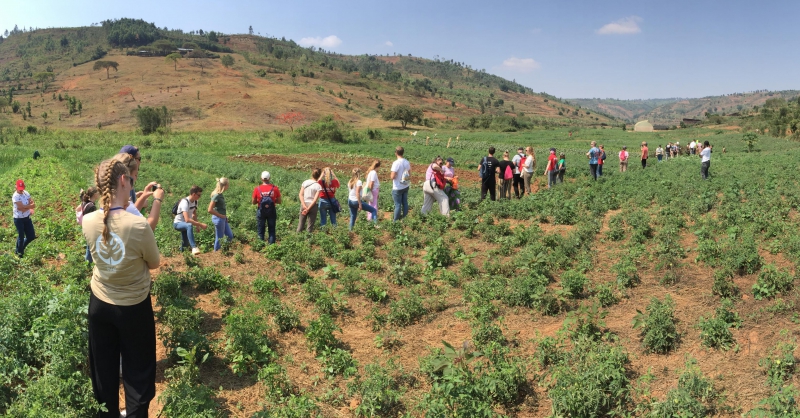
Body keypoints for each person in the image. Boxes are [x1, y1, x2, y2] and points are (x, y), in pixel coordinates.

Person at [83, 158, 161, 418]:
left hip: (100, 305)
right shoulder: (138, 226)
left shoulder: (88, 220)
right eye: (130, 181)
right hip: (133, 308)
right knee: (138, 373)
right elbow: (154, 263)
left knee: (103, 373)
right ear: (122, 181)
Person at [111, 152, 162, 231]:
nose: (136, 179)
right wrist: (158, 200)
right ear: (124, 179)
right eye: (135, 175)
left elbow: (132, 211)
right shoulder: (122, 206)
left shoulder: (111, 202)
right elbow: (148, 229)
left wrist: (144, 195)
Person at [174, 185, 207, 254]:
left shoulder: (195, 202)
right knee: (189, 225)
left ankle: (181, 254)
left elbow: (194, 214)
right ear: (194, 194)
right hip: (178, 223)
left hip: (185, 225)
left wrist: (197, 226)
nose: (199, 197)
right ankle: (194, 247)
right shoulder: (185, 202)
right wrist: (200, 224)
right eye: (198, 195)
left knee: (185, 244)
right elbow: (187, 220)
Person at [252, 171, 282, 242]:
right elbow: (279, 201)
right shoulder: (275, 188)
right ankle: (271, 247)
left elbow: (253, 202)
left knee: (260, 229)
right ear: (269, 178)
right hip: (271, 211)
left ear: (261, 178)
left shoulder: (257, 188)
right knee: (271, 229)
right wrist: (272, 201)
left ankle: (260, 245)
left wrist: (260, 201)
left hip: (261, 210)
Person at [12, 179, 36, 257]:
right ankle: (19, 254)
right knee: (21, 236)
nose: (21, 190)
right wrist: (29, 207)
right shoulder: (15, 196)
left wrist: (26, 207)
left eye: (22, 189)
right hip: (18, 219)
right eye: (19, 189)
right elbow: (20, 208)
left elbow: (33, 204)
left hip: (27, 217)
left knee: (31, 236)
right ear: (16, 187)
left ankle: (19, 249)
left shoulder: (26, 193)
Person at [208, 178, 233, 251]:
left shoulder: (220, 194)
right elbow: (209, 210)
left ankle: (222, 250)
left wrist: (224, 216)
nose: (228, 187)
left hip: (222, 218)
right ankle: (217, 253)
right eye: (228, 185)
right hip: (218, 219)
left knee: (230, 236)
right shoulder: (216, 195)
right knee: (219, 238)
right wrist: (221, 216)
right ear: (225, 186)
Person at [76, 187, 100, 262]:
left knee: (88, 244)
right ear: (95, 195)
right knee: (90, 245)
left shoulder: (86, 202)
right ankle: (89, 261)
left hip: (85, 226)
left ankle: (88, 260)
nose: (99, 194)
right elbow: (93, 220)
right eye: (98, 193)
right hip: (90, 228)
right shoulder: (92, 206)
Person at [298, 169, 322, 233]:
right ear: (319, 176)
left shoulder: (305, 182)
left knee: (300, 225)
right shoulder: (318, 186)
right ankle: (308, 240)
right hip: (313, 206)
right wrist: (308, 208)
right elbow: (315, 199)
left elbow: (300, 194)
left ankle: (297, 238)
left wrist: (304, 206)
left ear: (312, 174)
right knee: (310, 227)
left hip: (304, 204)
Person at [390, 146, 411, 221]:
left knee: (398, 204)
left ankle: (395, 221)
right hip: (405, 186)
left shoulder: (396, 163)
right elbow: (409, 174)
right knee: (405, 203)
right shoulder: (407, 162)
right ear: (403, 153)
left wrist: (396, 175)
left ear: (396, 153)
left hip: (397, 187)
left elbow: (392, 176)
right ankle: (404, 219)